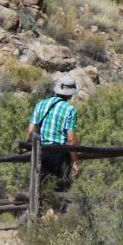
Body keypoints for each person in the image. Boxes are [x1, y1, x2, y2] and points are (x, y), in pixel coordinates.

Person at [29, 74, 82, 205]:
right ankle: (56, 215)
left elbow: (30, 131)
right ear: (71, 94)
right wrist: (75, 162)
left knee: (42, 190)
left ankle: (42, 214)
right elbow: (71, 138)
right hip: (59, 154)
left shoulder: (41, 104)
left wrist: (34, 149)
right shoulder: (70, 109)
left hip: (41, 152)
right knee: (60, 192)